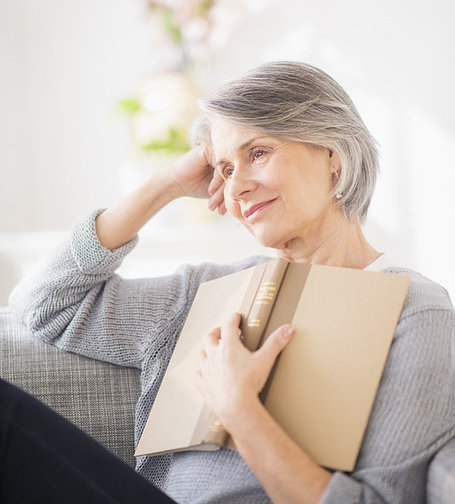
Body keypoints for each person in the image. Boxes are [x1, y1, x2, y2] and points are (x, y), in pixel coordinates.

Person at [6, 61, 455, 504]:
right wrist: (167, 183)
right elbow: (45, 303)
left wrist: (239, 408)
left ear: (332, 156)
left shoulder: (414, 311)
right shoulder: (210, 290)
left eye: (257, 153)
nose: (235, 186)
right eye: (223, 169)